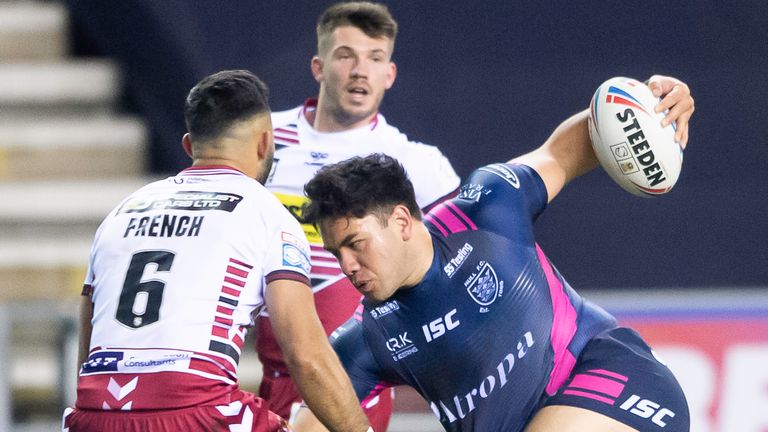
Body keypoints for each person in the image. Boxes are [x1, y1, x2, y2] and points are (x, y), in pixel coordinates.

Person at [292, 75, 695, 431]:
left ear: (400, 221)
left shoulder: (486, 207)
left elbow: (568, 150)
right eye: (336, 251)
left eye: (354, 244)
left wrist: (647, 103)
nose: (345, 265)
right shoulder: (369, 336)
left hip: (614, 377)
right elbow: (313, 422)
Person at [62, 70, 370, 432]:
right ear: (264, 143)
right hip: (196, 408)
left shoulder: (121, 212)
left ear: (190, 146)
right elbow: (306, 357)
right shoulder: (267, 214)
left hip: (93, 416)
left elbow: (89, 345)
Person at [257, 2, 460, 428]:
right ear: (318, 66)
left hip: (355, 377)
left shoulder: (417, 164)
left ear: (390, 74)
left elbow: (455, 266)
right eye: (346, 55)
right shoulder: (262, 142)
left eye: (375, 58)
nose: (359, 71)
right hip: (274, 374)